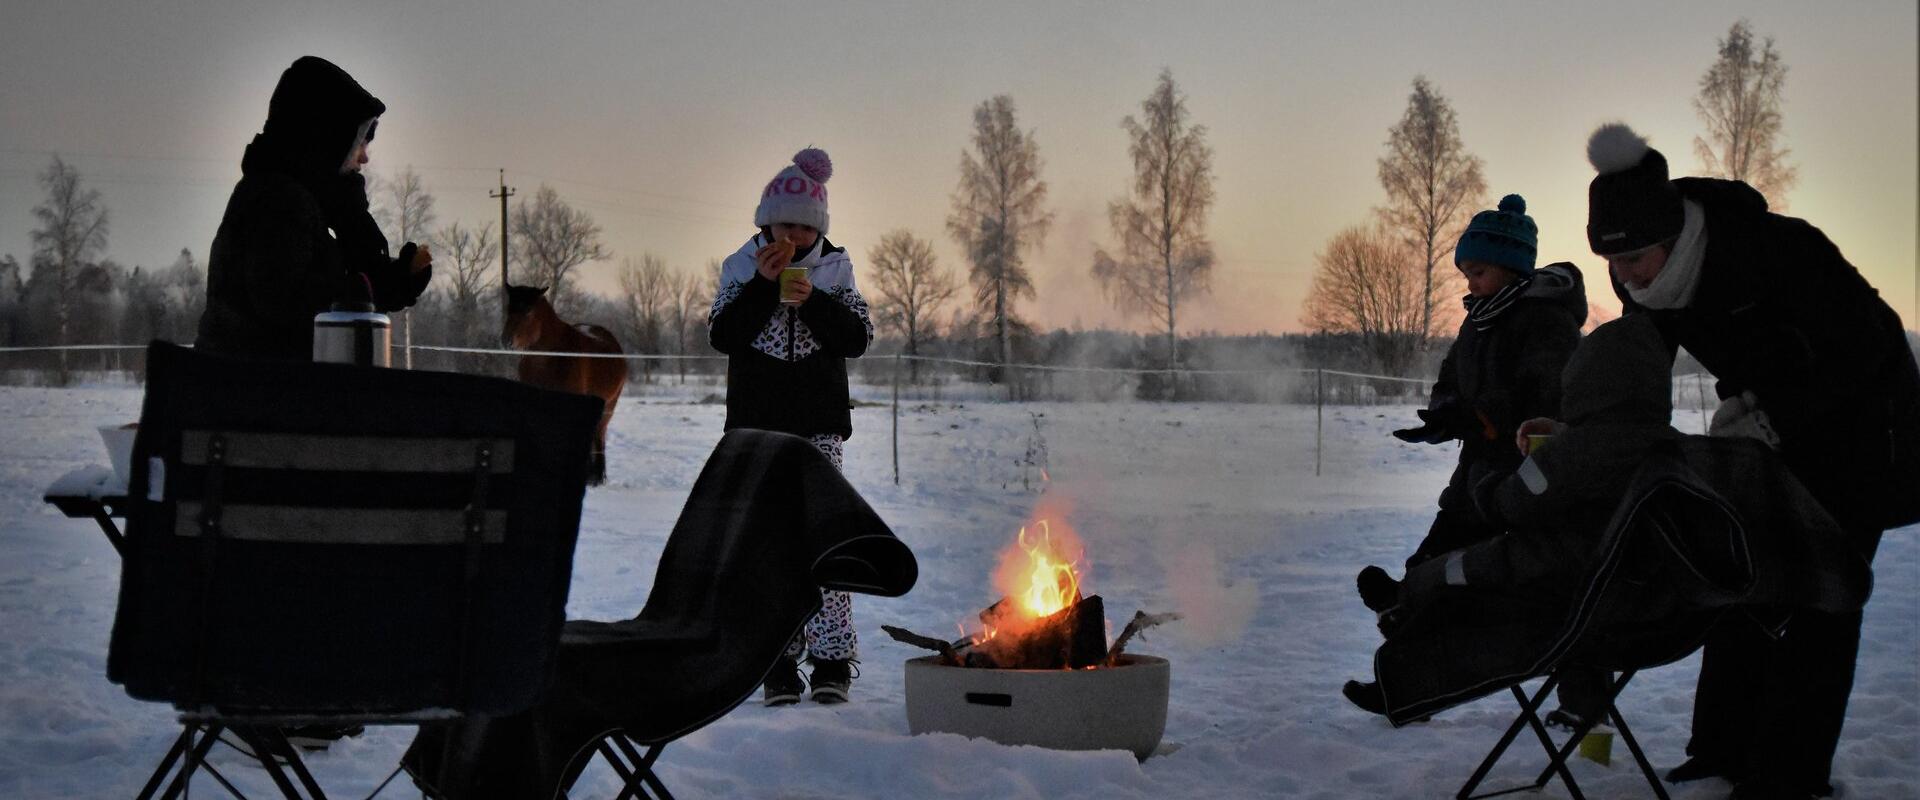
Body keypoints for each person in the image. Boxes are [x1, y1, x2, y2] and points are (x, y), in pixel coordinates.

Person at [1578, 122, 1920, 799]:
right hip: (1772, 430)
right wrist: (1589, 429)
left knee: (1820, 598)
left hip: (1868, 427)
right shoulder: (1643, 279)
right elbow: (1637, 373)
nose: (1626, 276)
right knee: (1741, 582)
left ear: (1672, 236)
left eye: (1637, 259)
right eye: (1612, 264)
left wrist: (1772, 415)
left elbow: (1866, 350)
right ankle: (1722, 750)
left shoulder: (1776, 251)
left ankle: (1787, 778)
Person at [1343, 315, 1868, 733]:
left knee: (1459, 584)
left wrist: (1491, 475)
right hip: (1655, 614)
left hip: (1573, 598)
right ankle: (1583, 718)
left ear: (1586, 381)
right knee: (1555, 587)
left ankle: (1402, 668)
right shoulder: (1672, 446)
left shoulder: (1576, 454)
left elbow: (1511, 506)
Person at [707, 147, 874, 705]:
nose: (797, 237)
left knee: (826, 541)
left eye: (807, 227)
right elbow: (723, 336)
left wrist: (815, 303)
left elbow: (857, 340)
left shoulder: (837, 266)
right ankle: (775, 662)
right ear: (765, 222)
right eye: (787, 225)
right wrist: (761, 287)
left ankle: (830, 660)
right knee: (766, 546)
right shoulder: (738, 265)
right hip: (755, 429)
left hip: (820, 427)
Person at [196, 55, 432, 361]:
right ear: (326, 139)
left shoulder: (305, 200)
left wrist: (390, 281)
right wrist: (371, 288)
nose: (364, 158)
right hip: (253, 394)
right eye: (359, 142)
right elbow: (284, 300)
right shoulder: (278, 199)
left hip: (259, 391)